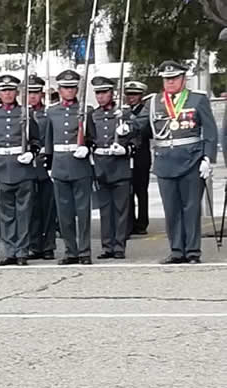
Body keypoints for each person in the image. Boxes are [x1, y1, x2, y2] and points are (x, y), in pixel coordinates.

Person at [128, 61, 217, 264]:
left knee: (191, 207)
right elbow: (140, 124)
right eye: (167, 79)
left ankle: (193, 251)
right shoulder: (154, 102)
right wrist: (126, 127)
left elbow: (210, 131)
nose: (170, 82)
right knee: (172, 209)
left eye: (174, 78)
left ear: (183, 79)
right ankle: (177, 251)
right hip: (165, 162)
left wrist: (208, 158)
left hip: (191, 160)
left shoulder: (197, 99)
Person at [0, 75, 40, 266]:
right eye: (3, 90)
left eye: (10, 90)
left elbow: (36, 140)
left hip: (22, 167)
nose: (7, 93)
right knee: (6, 213)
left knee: (23, 212)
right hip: (2, 167)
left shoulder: (26, 113)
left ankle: (22, 250)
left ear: (16, 92)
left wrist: (32, 153)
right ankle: (10, 251)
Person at [45, 70, 94, 265]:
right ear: (59, 89)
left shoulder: (86, 110)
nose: (69, 91)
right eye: (66, 88)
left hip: (79, 164)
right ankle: (70, 250)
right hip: (59, 164)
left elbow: (93, 137)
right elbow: (48, 140)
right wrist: (49, 164)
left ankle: (84, 251)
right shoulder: (52, 112)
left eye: (73, 87)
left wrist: (87, 148)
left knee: (83, 211)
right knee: (64, 213)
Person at [90, 76, 136, 260]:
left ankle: (119, 246)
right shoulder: (93, 115)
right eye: (98, 93)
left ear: (112, 93)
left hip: (120, 167)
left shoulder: (124, 114)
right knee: (105, 210)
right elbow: (89, 139)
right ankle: (107, 246)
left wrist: (125, 148)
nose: (100, 97)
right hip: (101, 167)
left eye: (104, 92)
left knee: (121, 210)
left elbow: (136, 140)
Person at [26, 75, 57, 260]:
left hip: (45, 165)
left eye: (36, 92)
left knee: (48, 208)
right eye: (29, 92)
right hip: (28, 165)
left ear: (42, 94)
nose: (32, 96)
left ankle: (48, 246)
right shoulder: (22, 115)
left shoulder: (49, 114)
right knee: (31, 209)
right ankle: (33, 244)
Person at [124, 81, 151, 236]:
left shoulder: (146, 112)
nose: (131, 98)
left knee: (141, 190)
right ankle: (130, 222)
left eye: (134, 95)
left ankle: (142, 223)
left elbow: (147, 132)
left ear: (141, 96)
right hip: (127, 156)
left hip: (141, 155)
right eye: (129, 95)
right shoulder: (125, 113)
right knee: (128, 191)